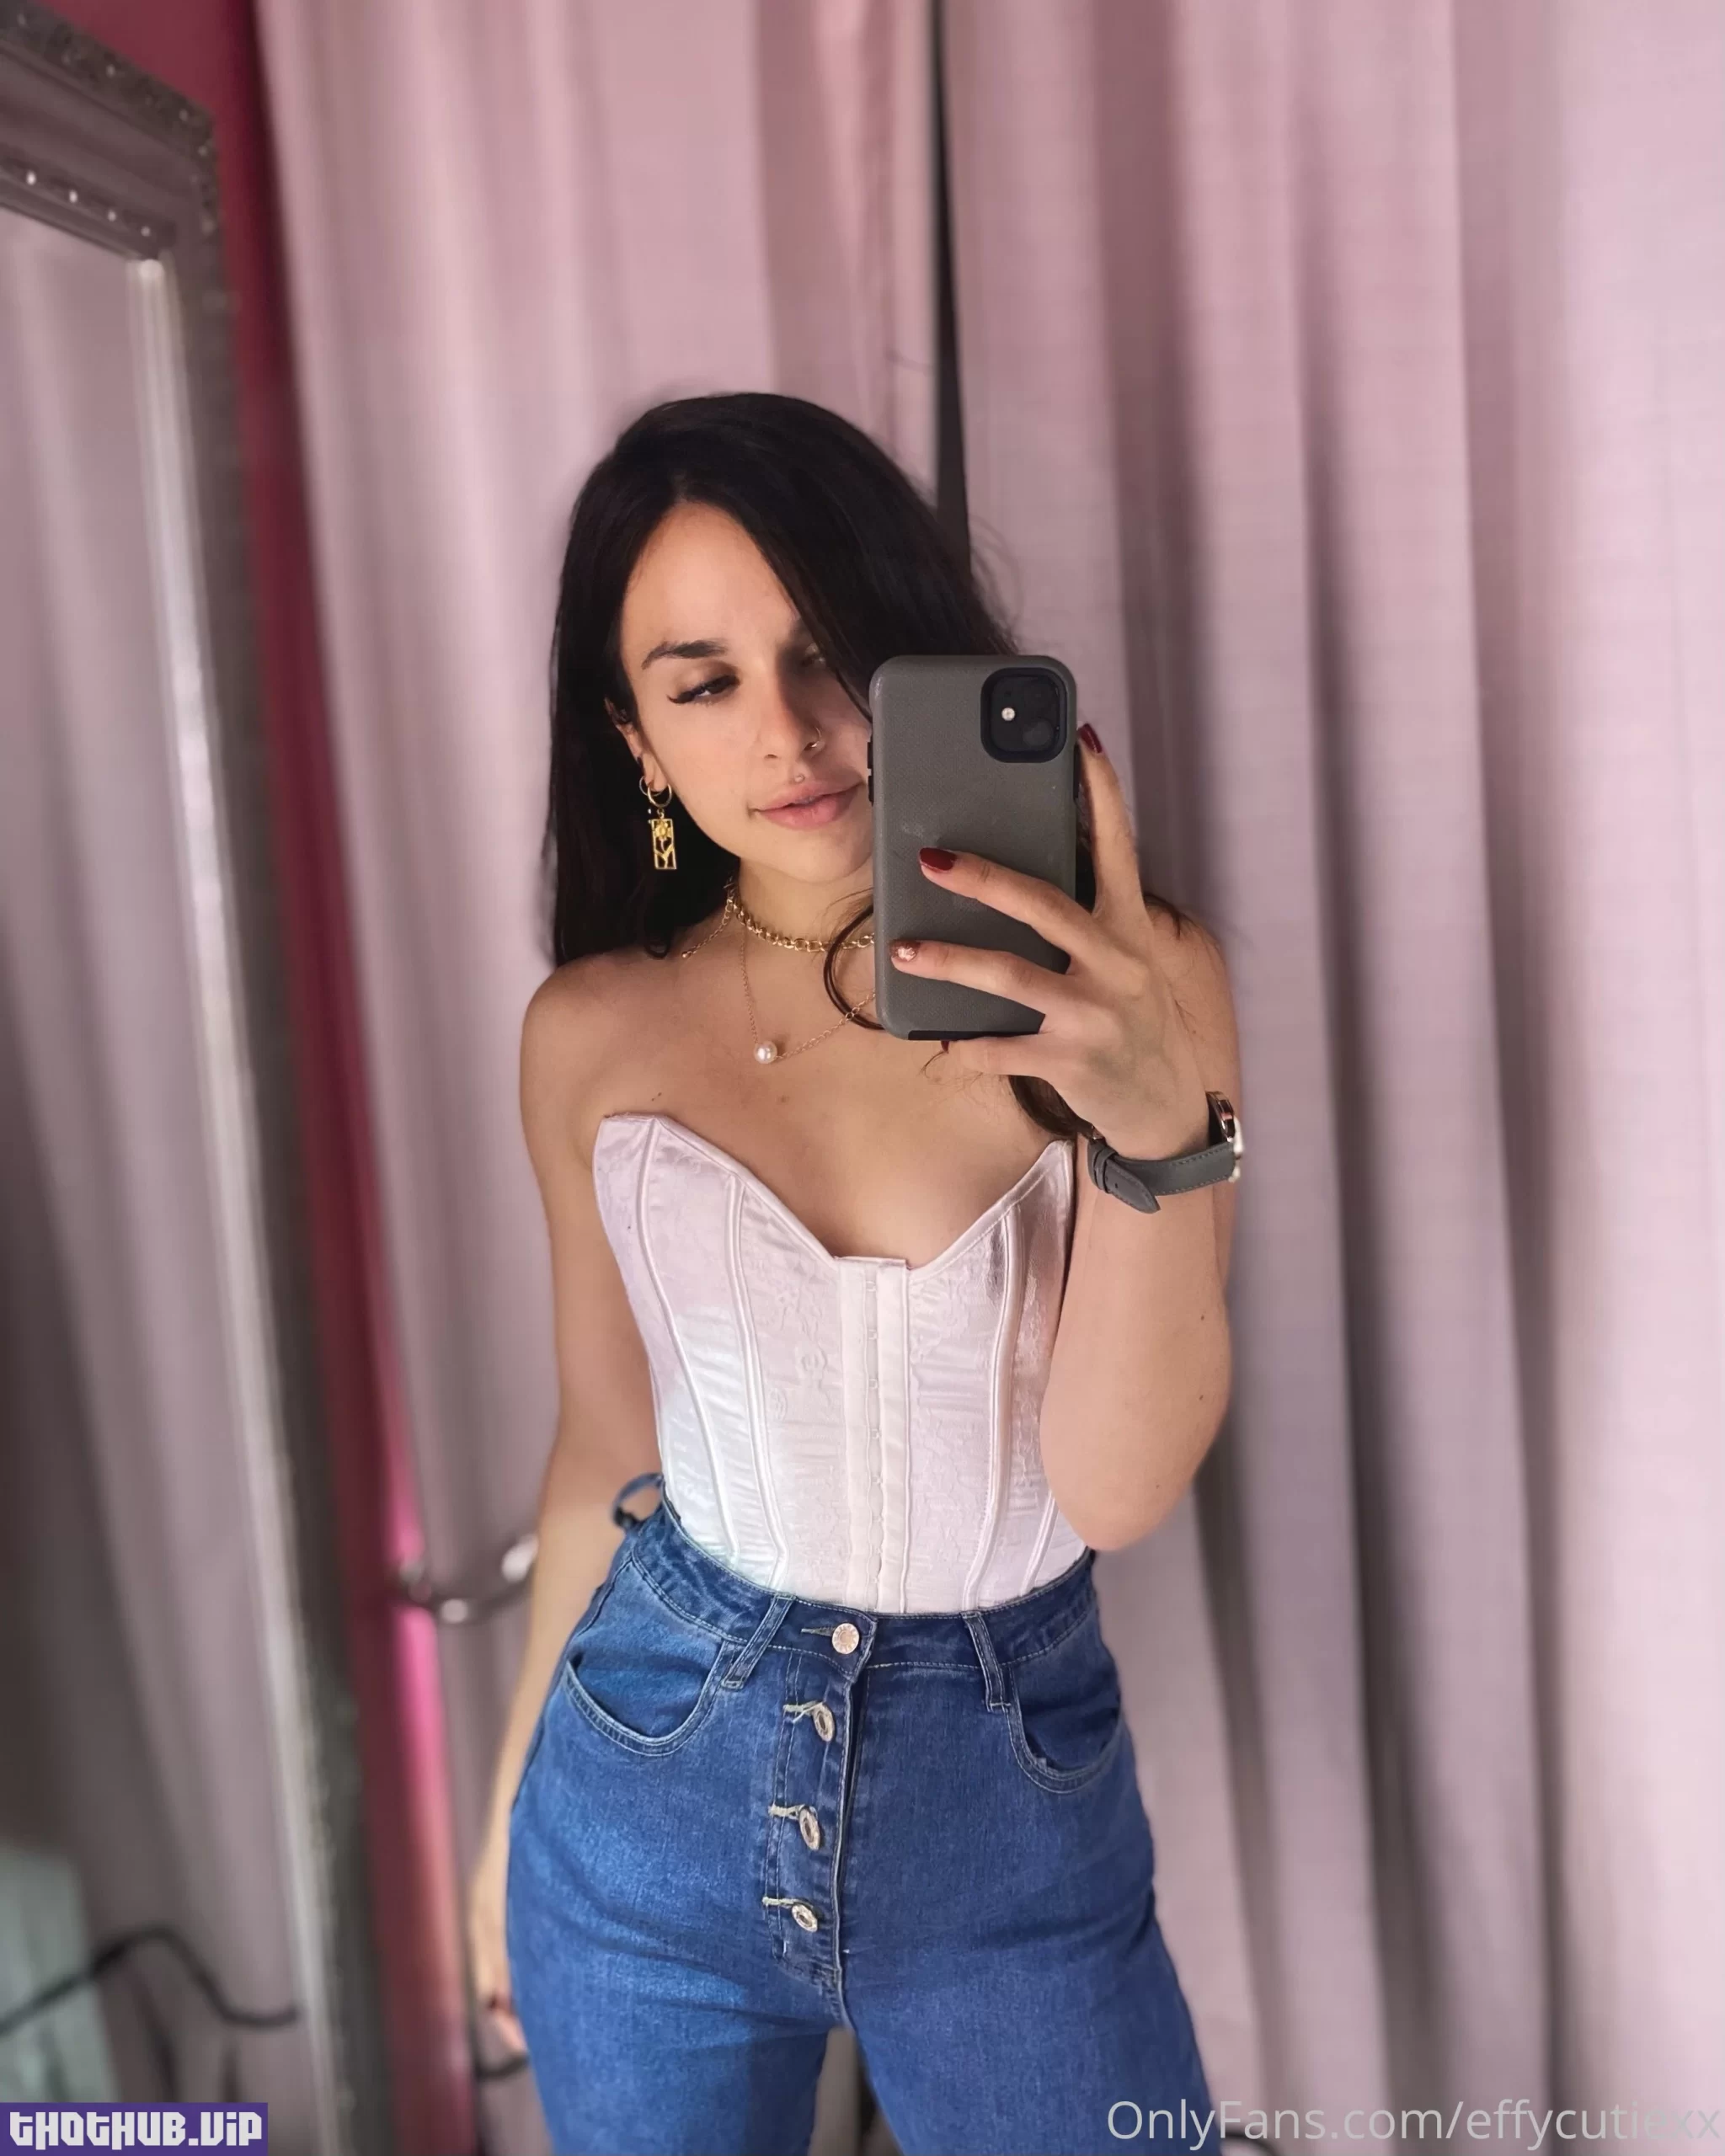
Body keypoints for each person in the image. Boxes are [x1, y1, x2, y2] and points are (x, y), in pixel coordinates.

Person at [466, 390, 1242, 2156]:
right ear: (634, 739)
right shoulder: (588, 1032)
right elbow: (603, 1452)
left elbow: (1116, 1489)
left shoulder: (1137, 989)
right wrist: (501, 1815)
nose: (791, 730)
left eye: (827, 650)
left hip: (1008, 1821)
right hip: (636, 1799)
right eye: (705, 681)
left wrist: (1150, 1116)